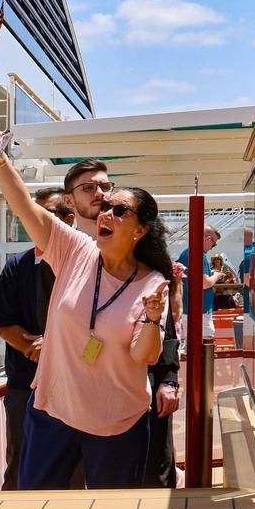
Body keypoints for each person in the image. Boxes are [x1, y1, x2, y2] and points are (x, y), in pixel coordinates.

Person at [0, 133, 173, 489]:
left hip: (118, 424)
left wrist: (152, 318)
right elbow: (25, 206)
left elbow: (143, 355)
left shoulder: (153, 282)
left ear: (140, 230)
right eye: (105, 206)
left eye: (120, 210)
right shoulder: (75, 249)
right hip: (53, 412)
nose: (106, 212)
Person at [63, 159, 182, 489]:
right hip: (67, 402)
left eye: (105, 186)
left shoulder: (147, 268)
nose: (100, 195)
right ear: (68, 200)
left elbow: (163, 328)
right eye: (89, 188)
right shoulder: (61, 252)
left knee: (137, 482)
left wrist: (168, 379)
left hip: (128, 399)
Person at [0, 187, 81, 490]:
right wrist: (34, 348)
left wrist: (53, 347)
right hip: (25, 385)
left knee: (76, 469)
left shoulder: (87, 265)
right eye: (28, 214)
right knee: (20, 466)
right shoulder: (17, 265)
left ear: (68, 219)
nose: (33, 221)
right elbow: (3, 323)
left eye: (43, 215)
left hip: (78, 387)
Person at [177, 224, 225, 339]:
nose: (212, 248)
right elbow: (204, 283)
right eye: (213, 244)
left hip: (188, 310)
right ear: (208, 239)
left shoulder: (185, 252)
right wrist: (217, 276)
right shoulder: (199, 254)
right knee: (205, 345)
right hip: (200, 312)